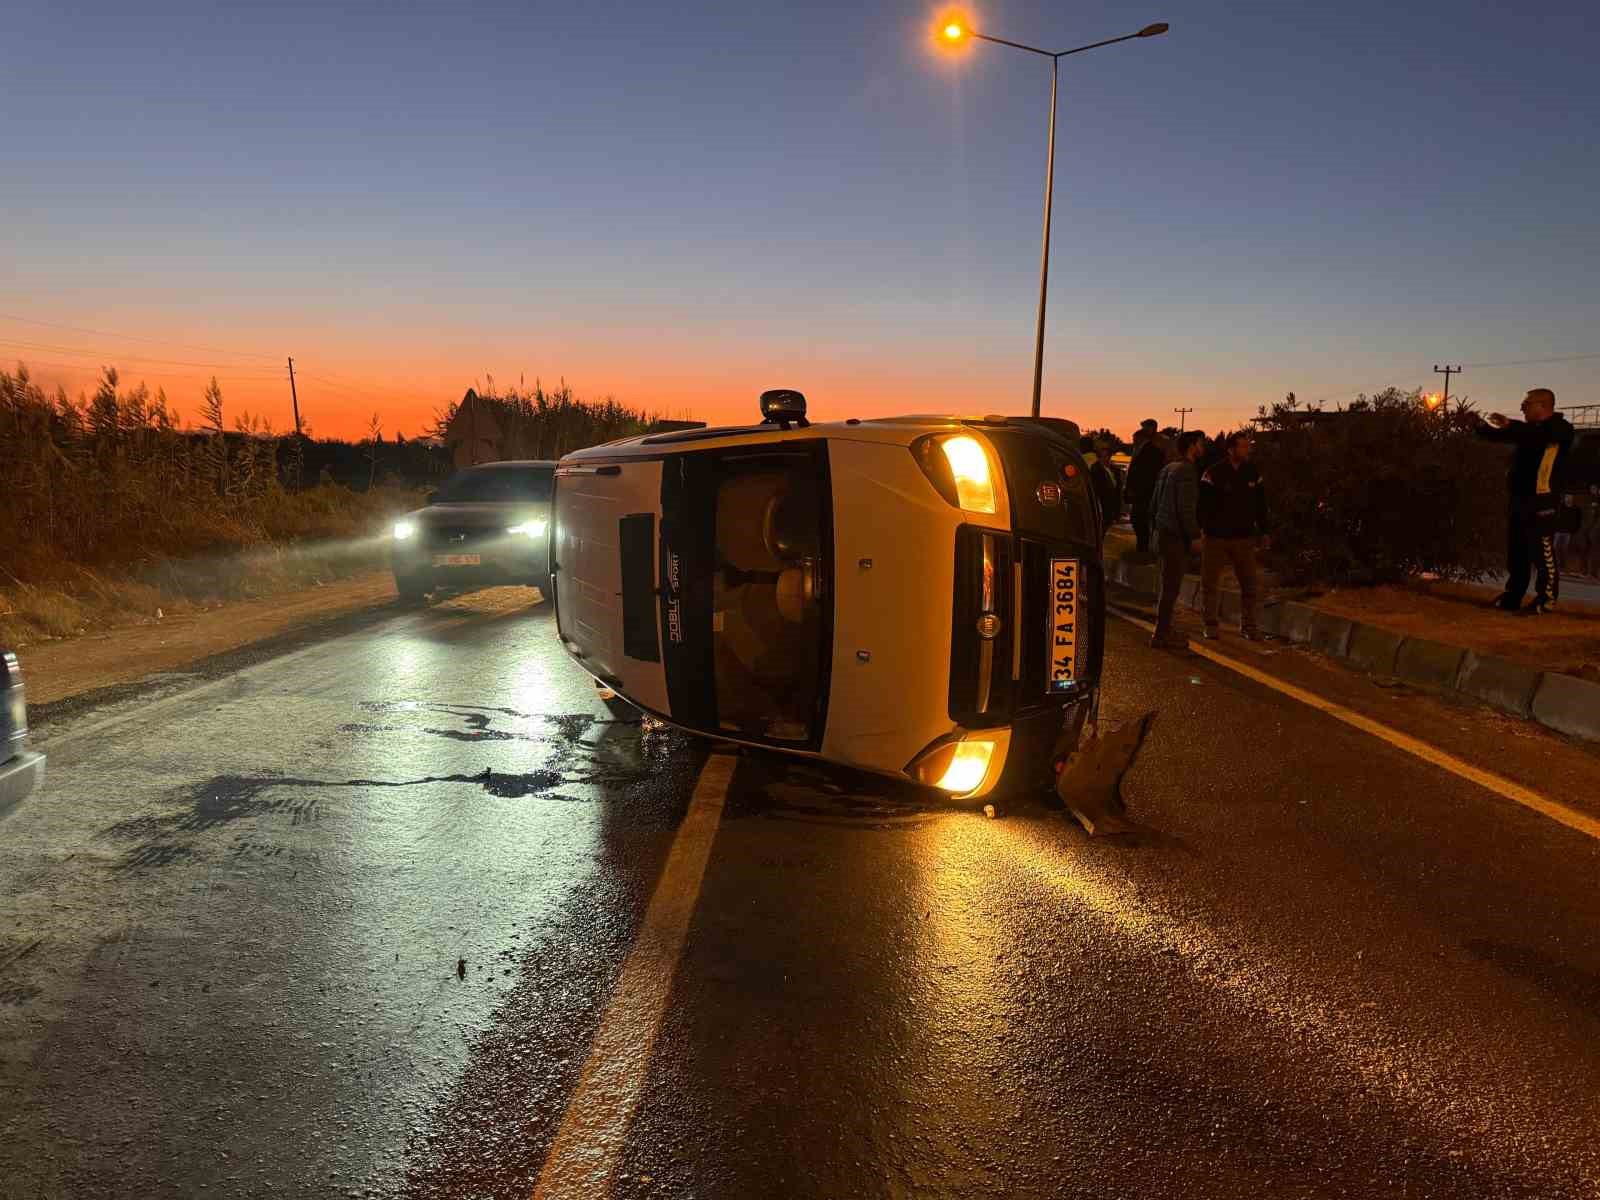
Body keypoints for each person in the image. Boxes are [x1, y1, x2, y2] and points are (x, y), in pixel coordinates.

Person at [1474, 388, 1575, 614]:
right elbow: (1506, 435)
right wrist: (1479, 427)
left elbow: (1535, 434)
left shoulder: (1561, 429)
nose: (1522, 407)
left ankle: (1546, 600)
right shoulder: (1528, 431)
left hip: (1543, 502)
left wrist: (1511, 424)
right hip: (1520, 501)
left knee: (1542, 553)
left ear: (1542, 406)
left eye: (1527, 403)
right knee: (1517, 553)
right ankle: (1513, 596)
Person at [1197, 431, 1269, 640]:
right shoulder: (1213, 473)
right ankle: (1210, 624)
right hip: (1216, 538)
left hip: (1244, 538)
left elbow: (1261, 505)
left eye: (1248, 446)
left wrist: (1264, 531)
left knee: (1249, 584)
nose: (1247, 450)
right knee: (1210, 583)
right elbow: (1202, 506)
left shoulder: (1252, 472)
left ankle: (1248, 625)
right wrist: (1205, 528)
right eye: (1243, 446)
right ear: (1231, 449)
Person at [1149, 430, 1206, 649]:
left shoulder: (1167, 469)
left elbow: (1153, 504)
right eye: (1201, 443)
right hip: (1175, 537)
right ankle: (1161, 634)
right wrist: (1194, 535)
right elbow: (1186, 509)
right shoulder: (1187, 471)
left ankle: (1162, 630)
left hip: (1163, 533)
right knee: (1171, 587)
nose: (1203, 447)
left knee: (1166, 586)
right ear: (1192, 446)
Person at [1126, 418, 1166, 553]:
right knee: (1138, 521)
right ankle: (1142, 548)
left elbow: (1146, 475)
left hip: (1144, 495)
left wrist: (1136, 491)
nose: (1133, 442)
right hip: (1141, 495)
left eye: (1135, 439)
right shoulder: (1141, 451)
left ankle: (1143, 550)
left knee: (1140, 522)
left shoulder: (1151, 452)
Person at [1079, 435, 1122, 541]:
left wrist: (1116, 512)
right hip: (1098, 511)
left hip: (1107, 512)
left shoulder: (1114, 470)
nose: (1106, 452)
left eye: (1108, 449)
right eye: (1103, 449)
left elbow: (1116, 492)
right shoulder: (1095, 468)